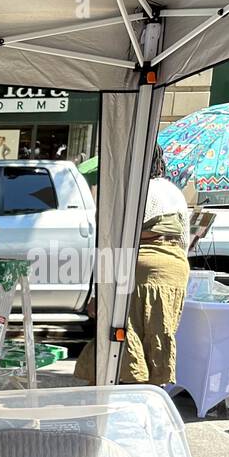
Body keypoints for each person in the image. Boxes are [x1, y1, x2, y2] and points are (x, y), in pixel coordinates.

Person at [74, 150, 190, 385]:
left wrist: (98, 294)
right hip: (175, 269)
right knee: (157, 335)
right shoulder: (173, 191)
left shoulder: (134, 191)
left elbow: (112, 241)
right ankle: (150, 397)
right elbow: (184, 240)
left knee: (121, 334)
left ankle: (116, 396)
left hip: (139, 266)